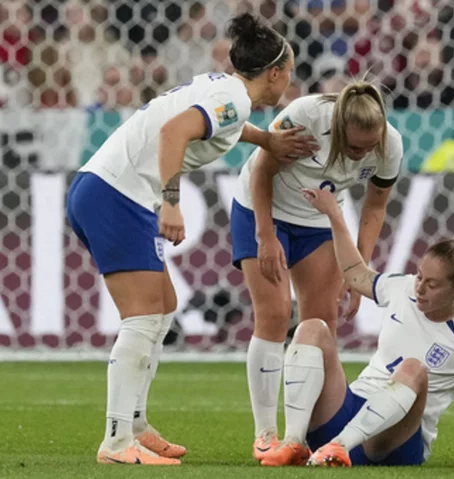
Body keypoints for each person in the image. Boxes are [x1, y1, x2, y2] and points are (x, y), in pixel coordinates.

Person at [66, 13, 317, 466]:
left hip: (103, 188)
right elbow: (174, 132)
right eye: (291, 71)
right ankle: (117, 440)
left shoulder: (224, 90)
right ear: (276, 72)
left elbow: (216, 125)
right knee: (143, 317)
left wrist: (265, 141)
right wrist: (172, 201)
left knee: (163, 307)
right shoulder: (234, 100)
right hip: (118, 195)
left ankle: (137, 424)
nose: (290, 81)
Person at [253, 187, 454, 468]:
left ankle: (339, 448)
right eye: (419, 276)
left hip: (395, 443)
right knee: (312, 328)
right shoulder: (401, 288)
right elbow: (355, 274)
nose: (420, 288)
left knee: (413, 368)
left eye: (432, 284)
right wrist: (334, 215)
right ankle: (294, 442)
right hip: (350, 411)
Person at [231, 82, 403, 461]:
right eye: (355, 147)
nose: (363, 154)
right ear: (338, 129)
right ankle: (266, 433)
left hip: (316, 220)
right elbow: (262, 170)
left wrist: (357, 273)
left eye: (369, 146)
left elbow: (375, 207)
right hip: (262, 209)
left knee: (322, 324)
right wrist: (265, 236)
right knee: (274, 315)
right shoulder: (305, 116)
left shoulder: (390, 145)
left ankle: (306, 435)